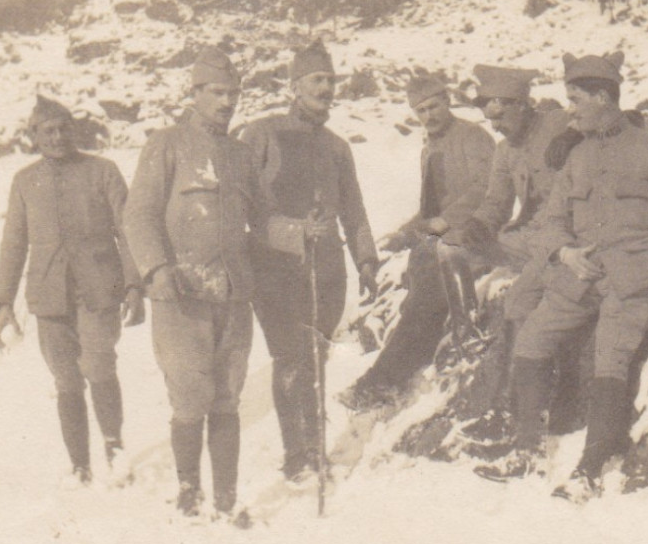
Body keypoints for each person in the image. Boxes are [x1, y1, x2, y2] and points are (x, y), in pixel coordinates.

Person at [476, 50, 648, 499]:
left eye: (576, 99)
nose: (569, 109)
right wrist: (565, 253)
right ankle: (524, 450)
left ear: (604, 98)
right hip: (579, 277)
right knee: (530, 339)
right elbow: (551, 221)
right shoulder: (576, 155)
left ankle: (588, 471)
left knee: (612, 360)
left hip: (633, 279)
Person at [123, 47, 263, 521]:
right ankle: (188, 491)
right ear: (195, 93)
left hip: (233, 294)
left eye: (234, 94)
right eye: (217, 93)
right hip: (181, 295)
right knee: (189, 396)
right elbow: (138, 213)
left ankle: (225, 499)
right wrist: (155, 270)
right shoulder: (167, 144)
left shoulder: (242, 155)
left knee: (227, 398)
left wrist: (298, 231)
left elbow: (261, 220)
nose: (227, 103)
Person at [241, 41, 380, 481]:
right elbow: (247, 208)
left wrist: (366, 260)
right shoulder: (260, 134)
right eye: (316, 79)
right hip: (274, 269)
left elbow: (354, 210)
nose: (326, 88)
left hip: (327, 271)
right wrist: (293, 231)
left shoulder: (339, 147)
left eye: (331, 80)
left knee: (314, 359)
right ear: (294, 85)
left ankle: (315, 448)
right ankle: (296, 453)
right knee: (289, 358)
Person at [0, 95, 144, 484]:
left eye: (64, 129)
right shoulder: (25, 181)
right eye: (49, 131)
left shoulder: (103, 171)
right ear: (35, 136)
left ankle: (114, 446)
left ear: (74, 130)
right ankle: (80, 465)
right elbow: (14, 242)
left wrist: (133, 283)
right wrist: (4, 302)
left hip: (99, 291)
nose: (58, 137)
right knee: (66, 380)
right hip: (50, 297)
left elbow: (127, 230)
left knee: (98, 366)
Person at [342, 73, 495, 408]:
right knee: (416, 296)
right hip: (441, 239)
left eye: (434, 106)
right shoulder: (429, 148)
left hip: (474, 235)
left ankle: (380, 383)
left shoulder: (474, 136)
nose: (429, 115)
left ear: (447, 100)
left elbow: (486, 189)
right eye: (421, 110)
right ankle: (390, 375)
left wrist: (443, 221)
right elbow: (430, 207)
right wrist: (404, 232)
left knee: (426, 300)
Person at [454, 64, 577, 410]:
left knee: (521, 304)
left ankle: (515, 401)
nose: (496, 127)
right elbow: (497, 203)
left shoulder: (556, 124)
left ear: (521, 104)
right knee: (449, 253)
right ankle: (464, 336)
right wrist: (479, 224)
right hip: (528, 236)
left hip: (566, 239)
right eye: (490, 121)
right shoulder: (505, 150)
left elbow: (599, 121)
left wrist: (573, 132)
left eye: (501, 117)